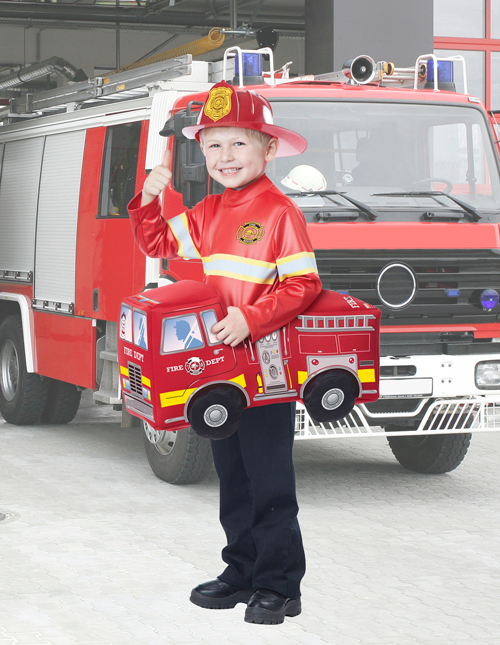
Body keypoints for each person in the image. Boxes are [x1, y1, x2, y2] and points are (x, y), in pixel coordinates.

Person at [127, 80, 322, 625]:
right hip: (222, 371)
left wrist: (251, 316)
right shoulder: (209, 211)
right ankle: (241, 571)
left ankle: (280, 587)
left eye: (239, 144)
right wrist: (148, 197)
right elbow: (159, 244)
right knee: (232, 475)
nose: (225, 157)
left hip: (268, 371)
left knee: (270, 480)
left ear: (269, 148)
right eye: (213, 146)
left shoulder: (281, 213)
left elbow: (303, 286)